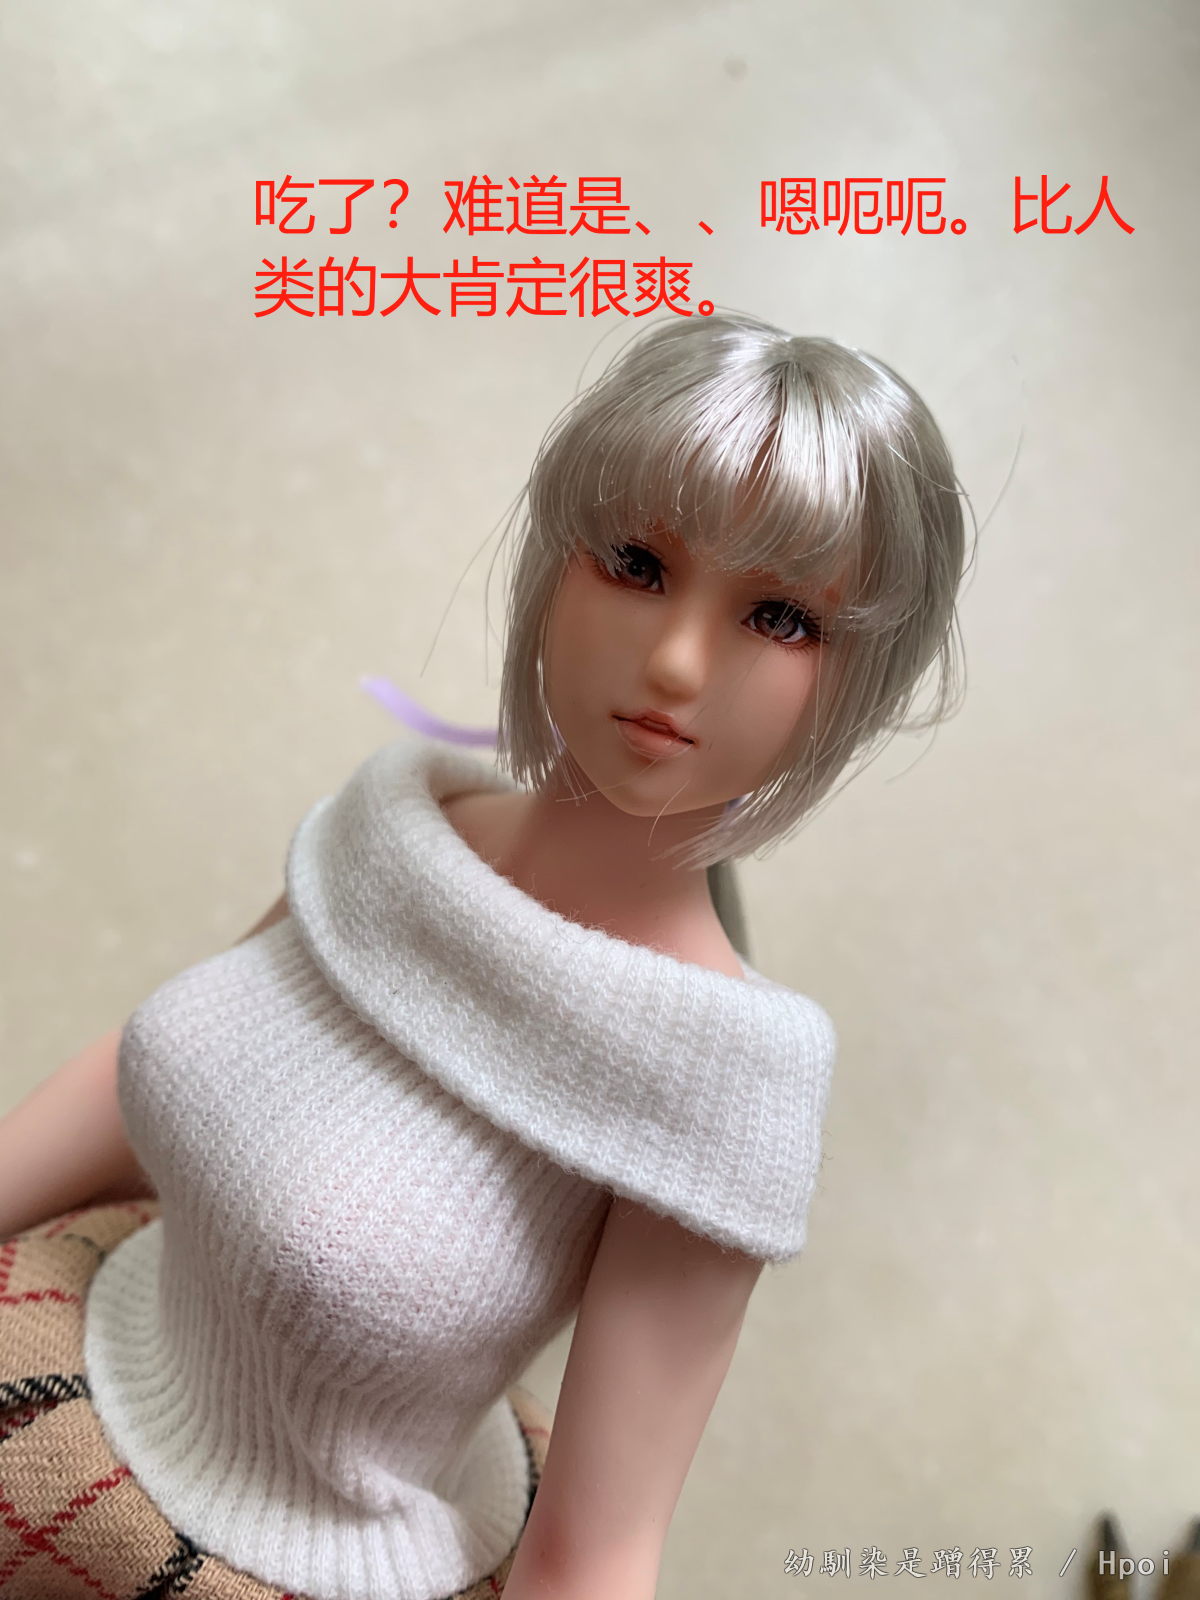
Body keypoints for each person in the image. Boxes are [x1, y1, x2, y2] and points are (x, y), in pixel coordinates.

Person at [0, 311, 966, 1600]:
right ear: (556, 559)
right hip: (51, 1359)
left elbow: (595, 1554)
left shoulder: (727, 1078)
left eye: (780, 616)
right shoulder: (398, 821)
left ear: (859, 679)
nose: (677, 659)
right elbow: (142, 1064)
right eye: (636, 561)